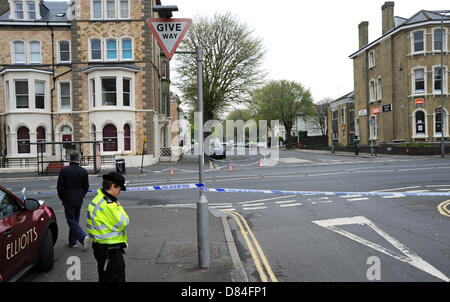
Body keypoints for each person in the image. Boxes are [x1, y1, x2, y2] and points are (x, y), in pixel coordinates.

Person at [87, 172, 130, 282]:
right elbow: (124, 222)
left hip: (99, 247)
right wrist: (119, 207)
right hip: (111, 251)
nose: (119, 192)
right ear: (113, 187)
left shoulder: (98, 198)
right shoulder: (109, 205)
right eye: (119, 189)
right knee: (116, 278)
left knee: (104, 277)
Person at [57, 151, 90, 249]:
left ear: (70, 159)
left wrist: (62, 197)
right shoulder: (83, 171)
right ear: (79, 159)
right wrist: (82, 195)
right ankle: (72, 241)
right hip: (79, 198)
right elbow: (86, 187)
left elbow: (60, 187)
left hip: (67, 198)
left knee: (71, 221)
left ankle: (83, 237)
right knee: (75, 220)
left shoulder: (64, 171)